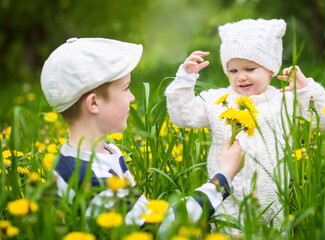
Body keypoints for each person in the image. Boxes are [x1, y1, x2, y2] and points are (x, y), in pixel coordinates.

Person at [40, 37, 245, 232]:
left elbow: (140, 213)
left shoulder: (105, 152)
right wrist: (223, 177)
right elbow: (160, 226)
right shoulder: (88, 179)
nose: (132, 97)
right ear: (94, 103)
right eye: (125, 88)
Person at [165, 18, 325, 231]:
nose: (241, 77)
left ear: (271, 69)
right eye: (233, 70)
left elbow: (324, 121)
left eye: (250, 68)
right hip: (228, 199)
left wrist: (306, 89)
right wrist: (184, 82)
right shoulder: (217, 101)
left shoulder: (284, 102)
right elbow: (183, 117)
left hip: (274, 200)